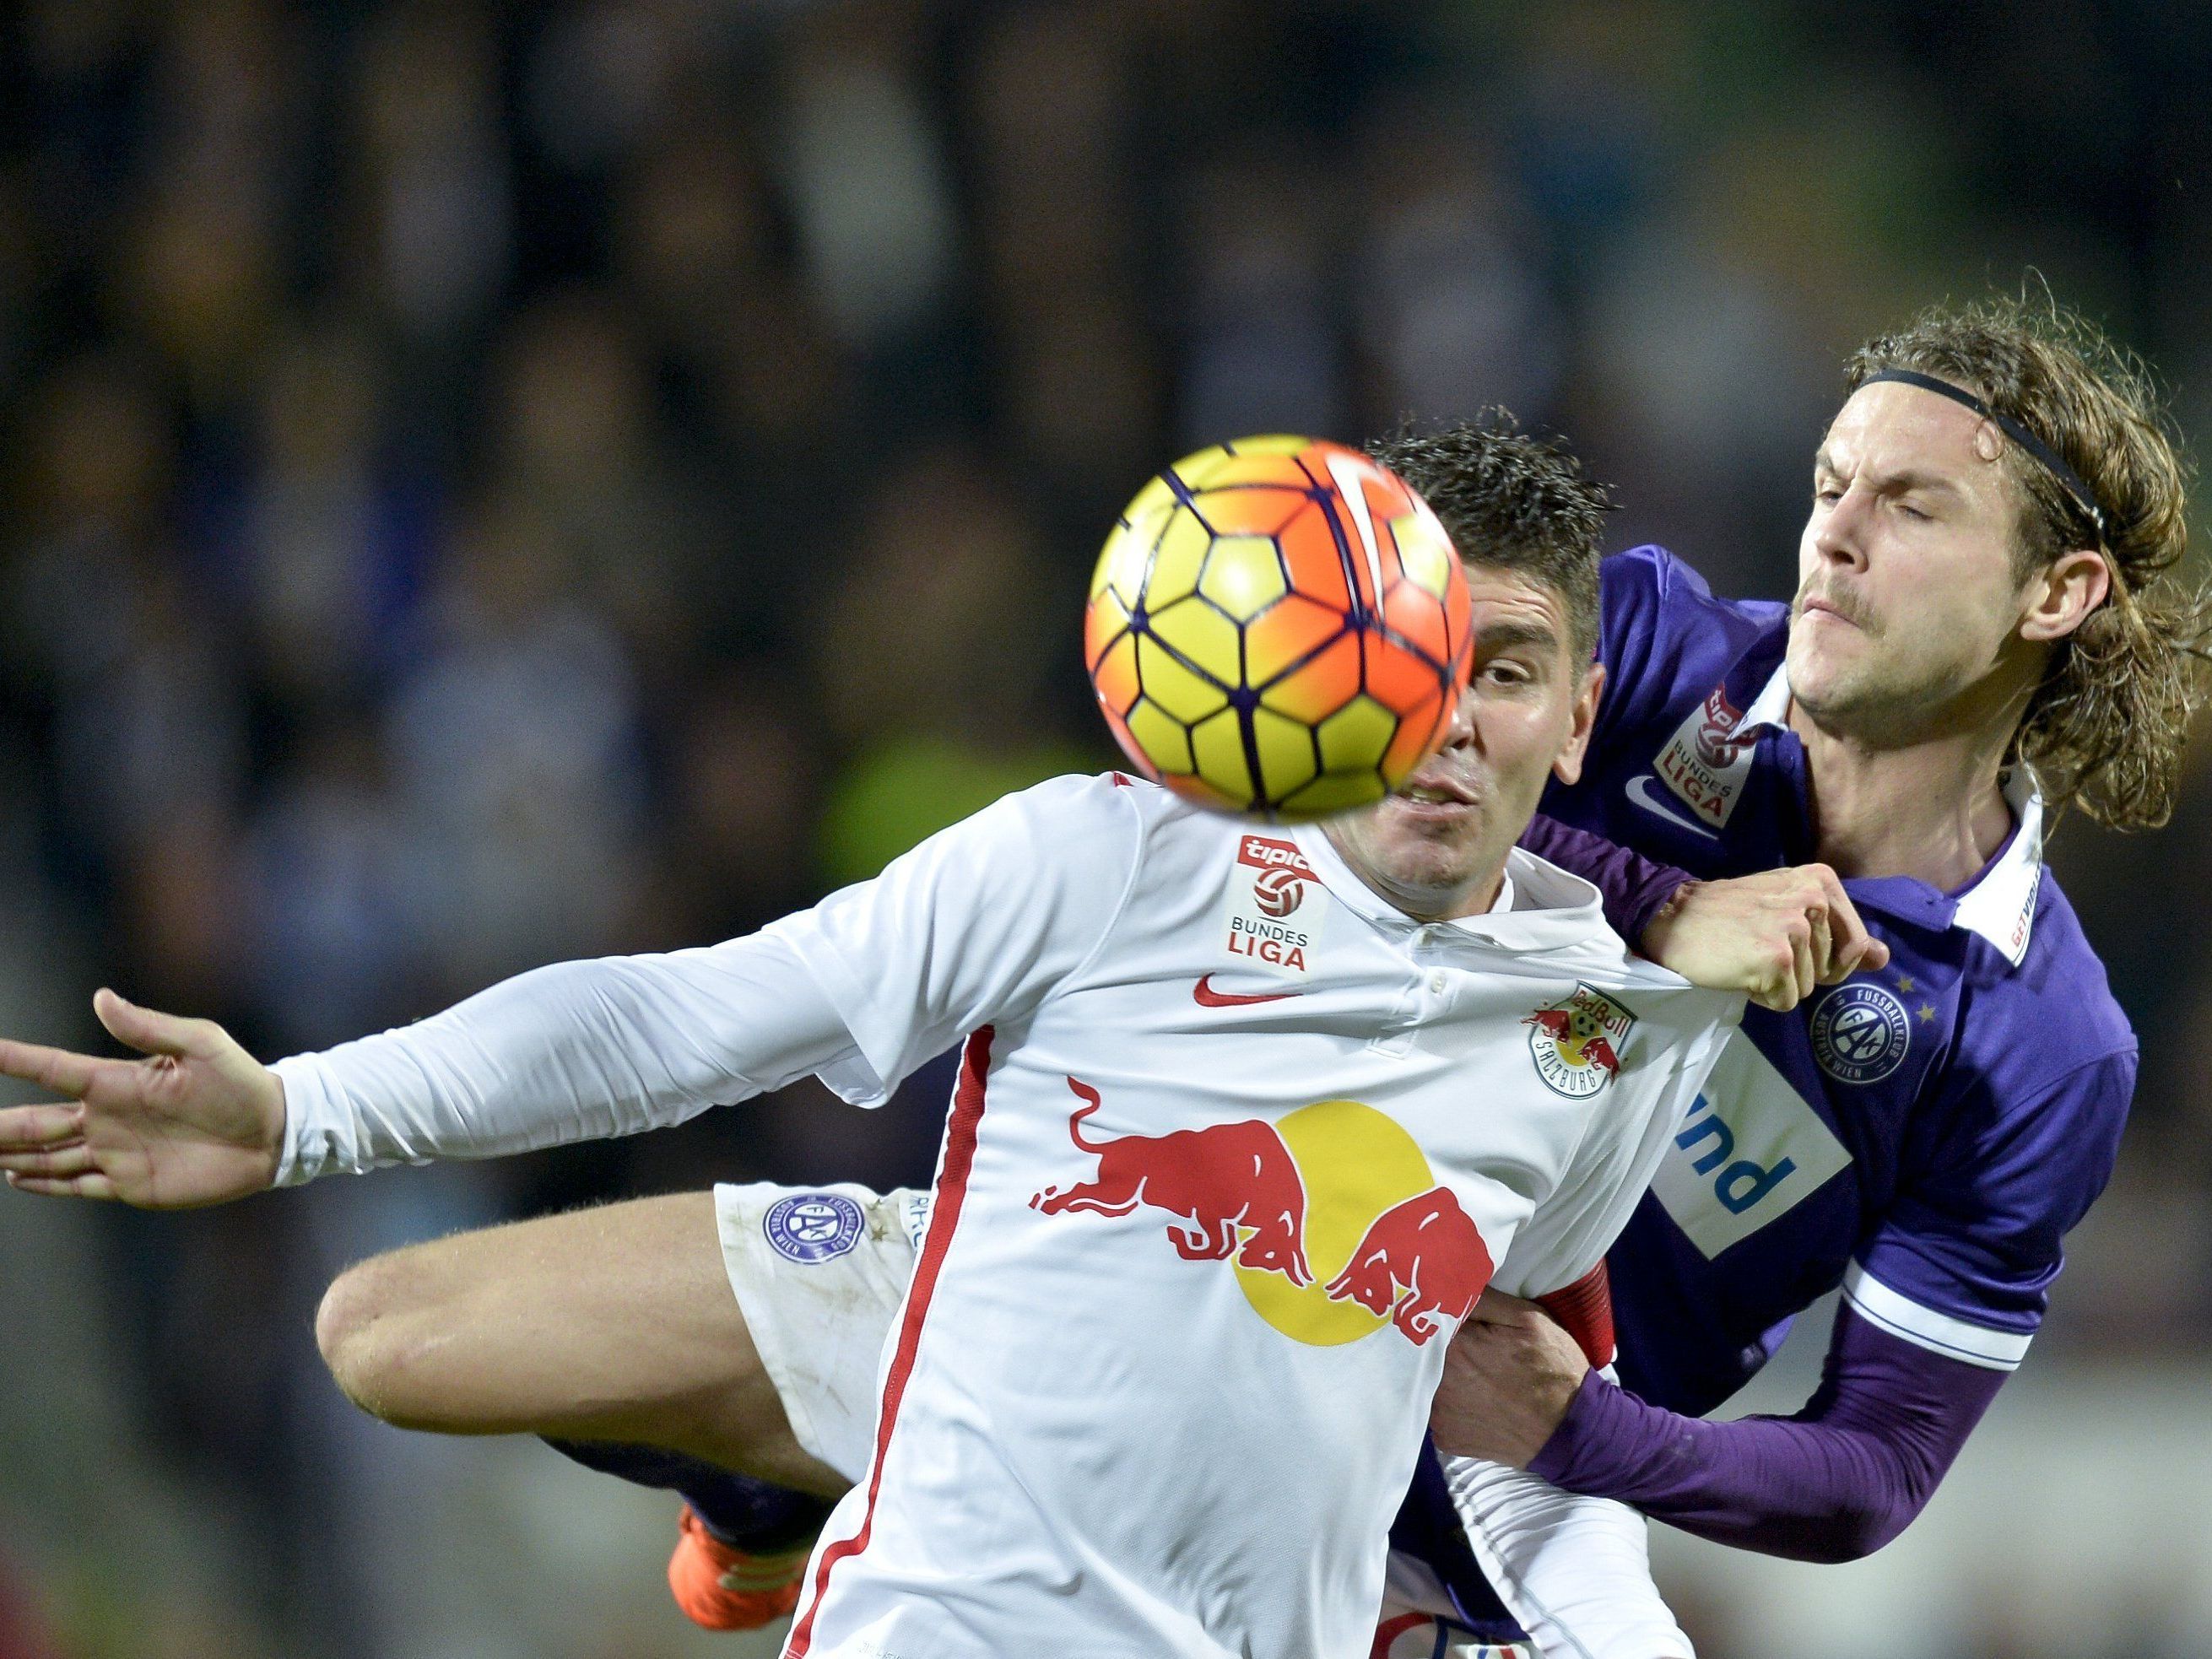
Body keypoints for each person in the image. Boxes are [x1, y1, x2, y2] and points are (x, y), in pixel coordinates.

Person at [307, 294, 2198, 1657]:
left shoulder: (2042, 1043)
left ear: (2062, 596)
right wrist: (1654, 925)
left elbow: (1869, 1471)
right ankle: (776, 1484)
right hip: (1175, 1273)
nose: (1836, 533)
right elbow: (1313, 778)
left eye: (1913, 505)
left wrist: (1578, 1425)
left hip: (1486, 1484)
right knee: (410, 1335)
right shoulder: (1634, 641)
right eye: (1829, 480)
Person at [0, 435, 1777, 1659]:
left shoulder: (1594, 1027)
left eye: (1513, 667)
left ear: (1579, 714)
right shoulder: (1107, 857)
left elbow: (1517, 1362)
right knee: (383, 1334)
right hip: (948, 1624)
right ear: (1332, 643)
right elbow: (687, 1011)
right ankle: (806, 1439)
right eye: (1420, 648)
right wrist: (300, 1111)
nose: (1451, 715)